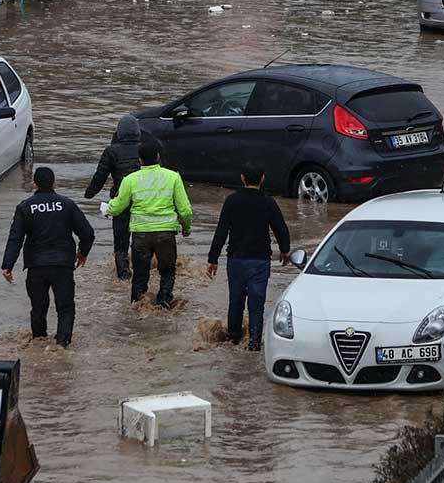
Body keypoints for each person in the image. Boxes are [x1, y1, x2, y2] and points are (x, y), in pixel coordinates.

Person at [1, 166, 94, 347]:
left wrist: (7, 265)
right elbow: (88, 233)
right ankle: (63, 345)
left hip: (36, 267)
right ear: (54, 183)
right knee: (65, 308)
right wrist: (82, 253)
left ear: (34, 183)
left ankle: (39, 343)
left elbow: (15, 239)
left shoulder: (25, 207)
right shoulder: (67, 205)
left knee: (38, 308)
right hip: (63, 266)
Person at [204, 168, 293, 350]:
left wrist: (213, 259)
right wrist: (285, 251)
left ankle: (233, 338)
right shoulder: (268, 202)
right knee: (257, 303)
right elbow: (280, 228)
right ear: (263, 178)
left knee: (235, 300)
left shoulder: (232, 201)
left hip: (236, 260)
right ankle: (254, 343)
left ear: (242, 178)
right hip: (260, 261)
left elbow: (221, 231)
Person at [107, 140, 191, 308]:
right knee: (167, 273)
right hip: (166, 234)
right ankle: (165, 303)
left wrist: (107, 208)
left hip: (141, 235)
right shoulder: (173, 177)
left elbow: (117, 207)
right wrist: (186, 227)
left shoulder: (130, 180)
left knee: (139, 275)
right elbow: (185, 210)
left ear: (139, 159)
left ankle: (137, 307)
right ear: (158, 157)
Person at [84, 114, 152, 280]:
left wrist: (89, 194)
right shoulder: (145, 150)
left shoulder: (111, 151)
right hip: (143, 202)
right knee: (140, 241)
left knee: (120, 244)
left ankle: (123, 276)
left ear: (119, 133)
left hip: (121, 201)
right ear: (138, 133)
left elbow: (100, 177)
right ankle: (142, 273)